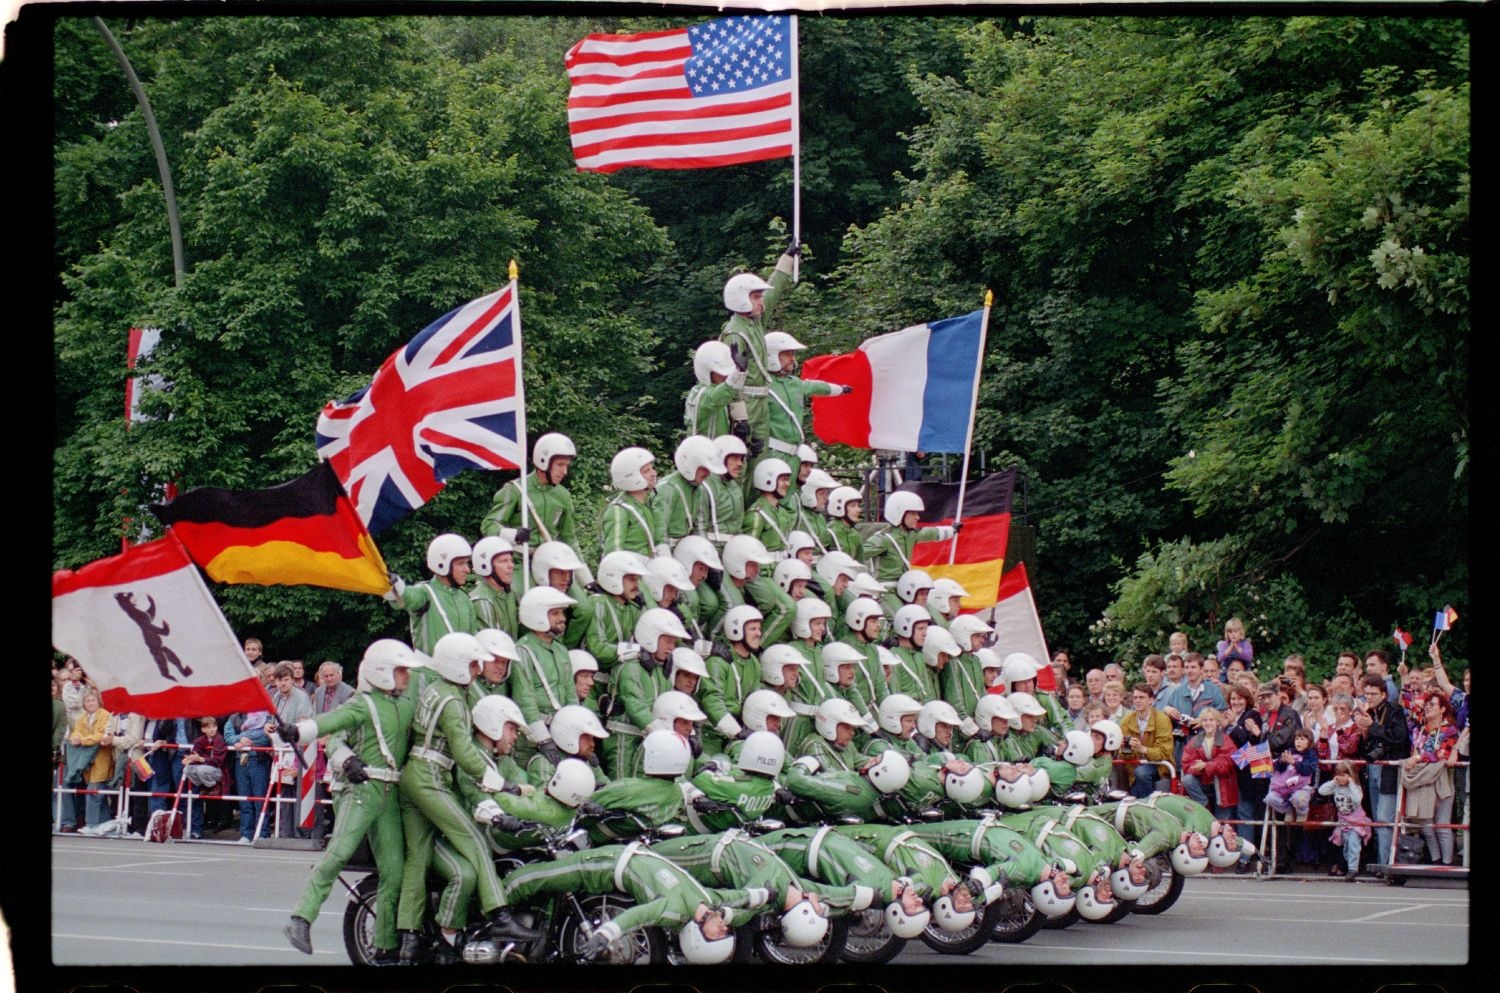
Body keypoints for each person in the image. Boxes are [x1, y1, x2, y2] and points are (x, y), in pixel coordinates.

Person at [281, 640, 425, 961]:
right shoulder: (364, 703)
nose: (407, 676)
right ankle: (301, 918)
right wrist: (298, 731)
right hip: (361, 790)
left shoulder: (405, 702)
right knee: (338, 853)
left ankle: (385, 947)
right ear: (383, 672)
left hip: (390, 795)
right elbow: (331, 723)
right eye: (401, 670)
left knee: (394, 873)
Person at [719, 241, 802, 465]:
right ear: (741, 299)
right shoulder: (734, 334)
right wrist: (739, 417)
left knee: (761, 459)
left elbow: (773, 294)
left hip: (761, 399)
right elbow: (729, 378)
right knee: (744, 461)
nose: (761, 303)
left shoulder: (754, 323)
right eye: (755, 298)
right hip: (747, 401)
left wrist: (787, 259)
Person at [761, 330, 847, 483]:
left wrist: (839, 389)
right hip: (772, 453)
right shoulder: (762, 385)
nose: (792, 359)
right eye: (787, 354)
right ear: (772, 355)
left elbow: (814, 386)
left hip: (794, 454)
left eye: (793, 354)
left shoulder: (794, 382)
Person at [511, 586, 578, 764]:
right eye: (555, 613)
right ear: (537, 615)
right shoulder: (523, 650)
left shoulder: (561, 650)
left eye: (562, 613)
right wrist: (543, 739)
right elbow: (525, 698)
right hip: (532, 740)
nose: (562, 618)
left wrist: (575, 729)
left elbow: (571, 695)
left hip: (561, 732)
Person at [481, 431, 578, 554]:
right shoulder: (515, 489)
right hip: (519, 562)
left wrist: (581, 569)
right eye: (560, 465)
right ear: (543, 461)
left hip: (550, 564)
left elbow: (569, 538)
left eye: (566, 465)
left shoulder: (563, 495)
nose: (565, 471)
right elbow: (489, 525)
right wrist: (512, 535)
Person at [1353, 673, 1409, 869]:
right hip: (1373, 768)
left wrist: (1372, 727)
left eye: (1373, 694)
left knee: (1385, 818)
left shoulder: (1394, 710)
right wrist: (1364, 733)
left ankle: (1385, 863)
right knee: (1376, 818)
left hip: (1389, 770)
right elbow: (1366, 748)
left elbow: (1398, 738)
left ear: (1384, 694)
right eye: (1366, 693)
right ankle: (1378, 860)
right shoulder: (1368, 712)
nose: (1369, 697)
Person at [387, 533, 478, 654]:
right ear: (442, 563)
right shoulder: (425, 592)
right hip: (428, 671)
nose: (467, 569)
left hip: (459, 672)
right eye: (461, 563)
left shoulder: (464, 599)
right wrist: (395, 588)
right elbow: (408, 598)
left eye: (467, 563)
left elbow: (473, 641)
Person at [564, 550, 649, 676]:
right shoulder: (599, 603)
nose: (636, 585)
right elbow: (598, 648)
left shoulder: (632, 607)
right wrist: (635, 650)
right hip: (592, 678)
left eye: (637, 579)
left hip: (615, 677)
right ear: (613, 577)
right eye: (631, 579)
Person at [1401, 692, 1459, 866]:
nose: (1427, 707)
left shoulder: (1450, 730)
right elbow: (1408, 704)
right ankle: (1436, 860)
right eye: (1426, 704)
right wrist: (1404, 677)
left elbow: (1442, 754)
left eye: (1432, 704)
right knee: (1426, 824)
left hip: (1441, 781)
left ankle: (1447, 863)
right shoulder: (1420, 728)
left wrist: (1418, 758)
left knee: (1442, 825)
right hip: (1420, 779)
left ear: (1442, 709)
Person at [865, 491, 956, 584]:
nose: (917, 517)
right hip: (886, 590)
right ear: (899, 513)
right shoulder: (883, 539)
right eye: (913, 513)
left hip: (904, 587)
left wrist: (952, 530)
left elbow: (928, 533)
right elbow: (859, 553)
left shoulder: (910, 535)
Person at [269, 661, 315, 838]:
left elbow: (302, 725)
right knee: (284, 792)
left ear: (292, 680)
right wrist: (269, 728)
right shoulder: (276, 696)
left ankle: (300, 833)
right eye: (279, 680)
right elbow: (273, 720)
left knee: (298, 792)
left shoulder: (301, 697)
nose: (282, 684)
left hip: (297, 751)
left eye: (286, 680)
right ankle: (284, 831)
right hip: (281, 751)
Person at [600, 447, 668, 559]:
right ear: (630, 476)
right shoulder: (619, 509)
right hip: (631, 572)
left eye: (652, 469)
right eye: (647, 471)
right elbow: (613, 555)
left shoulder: (646, 503)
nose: (654, 473)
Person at [657, 436, 727, 545]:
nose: (708, 474)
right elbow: (658, 531)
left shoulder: (698, 488)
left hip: (684, 546)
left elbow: (699, 527)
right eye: (704, 468)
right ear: (691, 464)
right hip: (667, 548)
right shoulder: (668, 488)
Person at [66, 688, 113, 830]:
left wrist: (82, 740)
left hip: (101, 759)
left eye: (93, 700)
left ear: (98, 701)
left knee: (93, 792)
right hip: (87, 762)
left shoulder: (105, 715)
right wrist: (74, 738)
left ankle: (91, 824)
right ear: (84, 704)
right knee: (100, 796)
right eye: (88, 701)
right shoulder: (83, 718)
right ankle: (105, 825)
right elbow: (76, 732)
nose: (91, 703)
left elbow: (101, 735)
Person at [1180, 707, 1237, 819]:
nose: (1208, 723)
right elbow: (1187, 762)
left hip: (1223, 783)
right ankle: (1204, 805)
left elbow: (1228, 761)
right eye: (1205, 720)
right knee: (1187, 780)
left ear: (1217, 722)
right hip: (1203, 781)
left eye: (1211, 720)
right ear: (1201, 723)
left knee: (1222, 822)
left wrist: (1206, 765)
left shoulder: (1225, 739)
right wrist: (1197, 768)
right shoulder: (1195, 740)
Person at [1119, 682, 1174, 797]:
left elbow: (1164, 753)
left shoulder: (1162, 719)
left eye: (1142, 697)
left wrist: (1142, 749)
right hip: (1135, 766)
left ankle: (1147, 805)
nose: (1138, 700)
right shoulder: (1127, 720)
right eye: (1135, 697)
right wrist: (1126, 748)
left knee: (1141, 773)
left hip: (1159, 765)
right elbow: (1125, 755)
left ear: (1151, 700)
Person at [1318, 760, 1370, 881]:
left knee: (1353, 844)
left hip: (1356, 822)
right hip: (1343, 822)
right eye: (1338, 775)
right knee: (1345, 846)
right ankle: (1347, 864)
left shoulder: (1355, 788)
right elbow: (1322, 790)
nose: (1341, 778)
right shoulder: (1335, 786)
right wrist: (1333, 781)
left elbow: (1358, 799)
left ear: (1350, 775)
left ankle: (1353, 869)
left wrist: (1351, 783)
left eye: (1344, 775)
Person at [685, 340, 748, 438]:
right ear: (706, 371)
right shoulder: (701, 394)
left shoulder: (720, 393)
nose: (726, 376)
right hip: (704, 450)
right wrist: (739, 373)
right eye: (722, 373)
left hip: (720, 449)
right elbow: (718, 397)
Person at [698, 435, 749, 549]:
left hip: (733, 550)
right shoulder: (705, 486)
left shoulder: (736, 488)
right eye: (735, 458)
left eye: (741, 459)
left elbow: (738, 526)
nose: (740, 463)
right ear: (720, 457)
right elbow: (699, 528)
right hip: (712, 549)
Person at [182, 716, 229, 839]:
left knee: (201, 769)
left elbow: (218, 761)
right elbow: (195, 752)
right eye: (208, 727)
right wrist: (190, 758)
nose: (212, 730)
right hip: (205, 770)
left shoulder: (219, 739)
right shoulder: (200, 740)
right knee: (187, 769)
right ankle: (204, 785)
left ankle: (211, 785)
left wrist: (201, 759)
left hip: (218, 772)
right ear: (203, 729)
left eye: (214, 727)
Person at [744, 457, 798, 557]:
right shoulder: (756, 514)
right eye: (783, 479)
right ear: (768, 480)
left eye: (787, 479)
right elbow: (748, 551)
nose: (788, 484)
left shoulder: (783, 513)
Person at [468, 535, 520, 636]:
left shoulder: (510, 595)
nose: (511, 565)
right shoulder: (482, 600)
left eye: (511, 560)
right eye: (504, 561)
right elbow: (492, 644)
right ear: (485, 565)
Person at [1215, 617, 1254, 681]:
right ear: (1227, 633)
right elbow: (1220, 658)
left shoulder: (1246, 644)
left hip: (1244, 672)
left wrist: (1237, 647)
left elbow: (1249, 657)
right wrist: (1230, 647)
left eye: (1235, 631)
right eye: (1230, 632)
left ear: (1240, 632)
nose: (1233, 634)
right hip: (1226, 672)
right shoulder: (1224, 644)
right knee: (1221, 681)